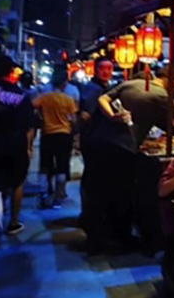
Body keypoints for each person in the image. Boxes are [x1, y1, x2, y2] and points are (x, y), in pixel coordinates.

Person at [85, 65, 174, 252]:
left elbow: (102, 99)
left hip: (97, 142)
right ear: (172, 81)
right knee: (121, 194)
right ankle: (118, 239)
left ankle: (96, 237)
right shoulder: (162, 95)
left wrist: (112, 116)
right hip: (122, 147)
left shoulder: (131, 84)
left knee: (98, 191)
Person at [0, 56, 36, 242]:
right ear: (11, 71)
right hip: (17, 143)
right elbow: (30, 126)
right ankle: (13, 222)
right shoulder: (21, 95)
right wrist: (28, 147)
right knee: (17, 182)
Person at [77, 58, 114, 231]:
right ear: (95, 70)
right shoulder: (94, 89)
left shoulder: (104, 88)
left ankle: (91, 216)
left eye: (109, 68)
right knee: (94, 180)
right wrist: (79, 135)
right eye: (102, 68)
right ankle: (91, 219)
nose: (106, 72)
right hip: (94, 140)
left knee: (94, 179)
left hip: (99, 139)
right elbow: (85, 116)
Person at [32, 69, 78, 209]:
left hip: (47, 134)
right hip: (64, 135)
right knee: (61, 166)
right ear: (64, 84)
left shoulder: (44, 98)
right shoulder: (68, 100)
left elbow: (32, 105)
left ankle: (44, 195)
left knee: (45, 165)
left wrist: (40, 116)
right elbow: (74, 119)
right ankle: (58, 198)